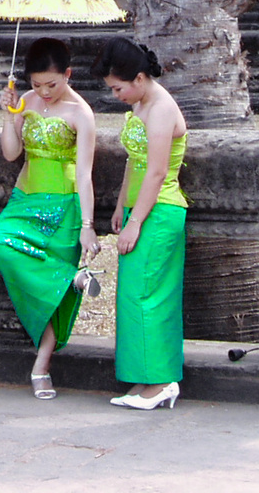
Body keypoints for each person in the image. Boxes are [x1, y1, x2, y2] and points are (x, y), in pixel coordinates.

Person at [0, 37, 100, 400]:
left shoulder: (81, 113)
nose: (44, 92)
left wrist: (86, 226)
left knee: (54, 297)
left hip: (64, 208)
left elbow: (84, 174)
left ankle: (41, 366)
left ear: (67, 74)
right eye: (37, 85)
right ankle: (74, 277)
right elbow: (10, 153)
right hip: (24, 202)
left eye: (52, 84)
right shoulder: (26, 102)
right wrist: (10, 115)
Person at [92, 37, 187, 411]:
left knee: (149, 295)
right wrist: (120, 207)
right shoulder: (139, 106)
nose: (115, 95)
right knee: (132, 296)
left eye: (118, 87)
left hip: (160, 210)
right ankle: (144, 377)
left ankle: (162, 381)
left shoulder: (161, 108)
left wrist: (136, 223)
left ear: (141, 77)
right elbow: (135, 160)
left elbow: (159, 170)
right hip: (140, 208)